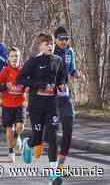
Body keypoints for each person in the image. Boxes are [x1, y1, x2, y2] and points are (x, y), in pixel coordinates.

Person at [16, 33, 67, 184]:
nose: (50, 46)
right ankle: (28, 143)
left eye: (51, 43)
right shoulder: (34, 61)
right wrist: (40, 85)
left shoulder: (58, 61)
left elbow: (62, 78)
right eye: (46, 44)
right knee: (38, 139)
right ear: (40, 46)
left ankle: (53, 175)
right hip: (36, 105)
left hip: (52, 105)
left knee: (52, 138)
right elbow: (20, 79)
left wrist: (61, 84)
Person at [53, 27, 81, 171]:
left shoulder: (70, 51)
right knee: (50, 131)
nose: (64, 41)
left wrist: (76, 74)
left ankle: (61, 165)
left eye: (66, 39)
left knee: (68, 128)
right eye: (61, 39)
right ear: (55, 40)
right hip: (50, 96)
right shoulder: (50, 52)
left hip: (64, 94)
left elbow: (72, 69)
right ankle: (30, 143)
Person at [0, 47, 26, 163]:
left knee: (19, 127)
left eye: (16, 56)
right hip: (7, 104)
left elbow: (28, 84)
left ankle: (17, 137)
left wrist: (27, 89)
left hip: (20, 103)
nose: (14, 58)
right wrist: (4, 87)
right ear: (8, 58)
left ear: (19, 58)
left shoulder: (23, 71)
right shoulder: (5, 71)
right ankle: (11, 151)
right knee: (9, 128)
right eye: (12, 56)